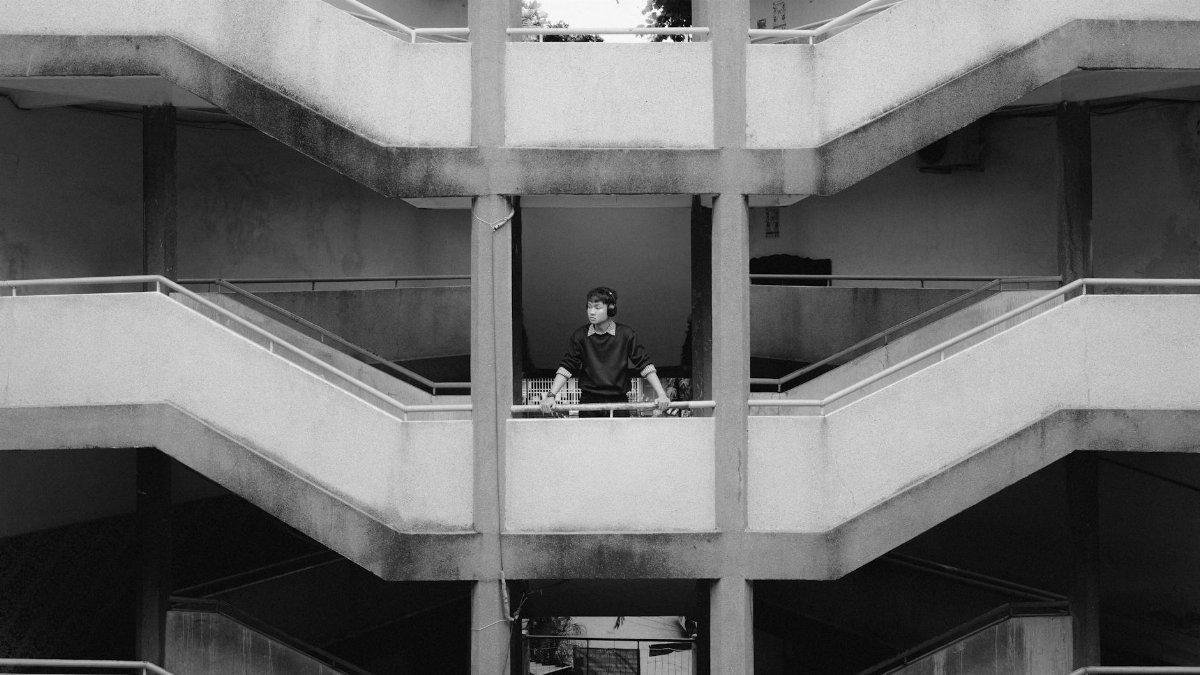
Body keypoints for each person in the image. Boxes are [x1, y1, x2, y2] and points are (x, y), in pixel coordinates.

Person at [540, 286, 671, 418]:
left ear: (611, 308)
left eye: (597, 308)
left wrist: (662, 395)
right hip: (588, 403)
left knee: (619, 439)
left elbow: (644, 364)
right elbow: (567, 366)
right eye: (589, 307)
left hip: (619, 402)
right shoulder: (580, 335)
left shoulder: (626, 334)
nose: (591, 312)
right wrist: (551, 396)